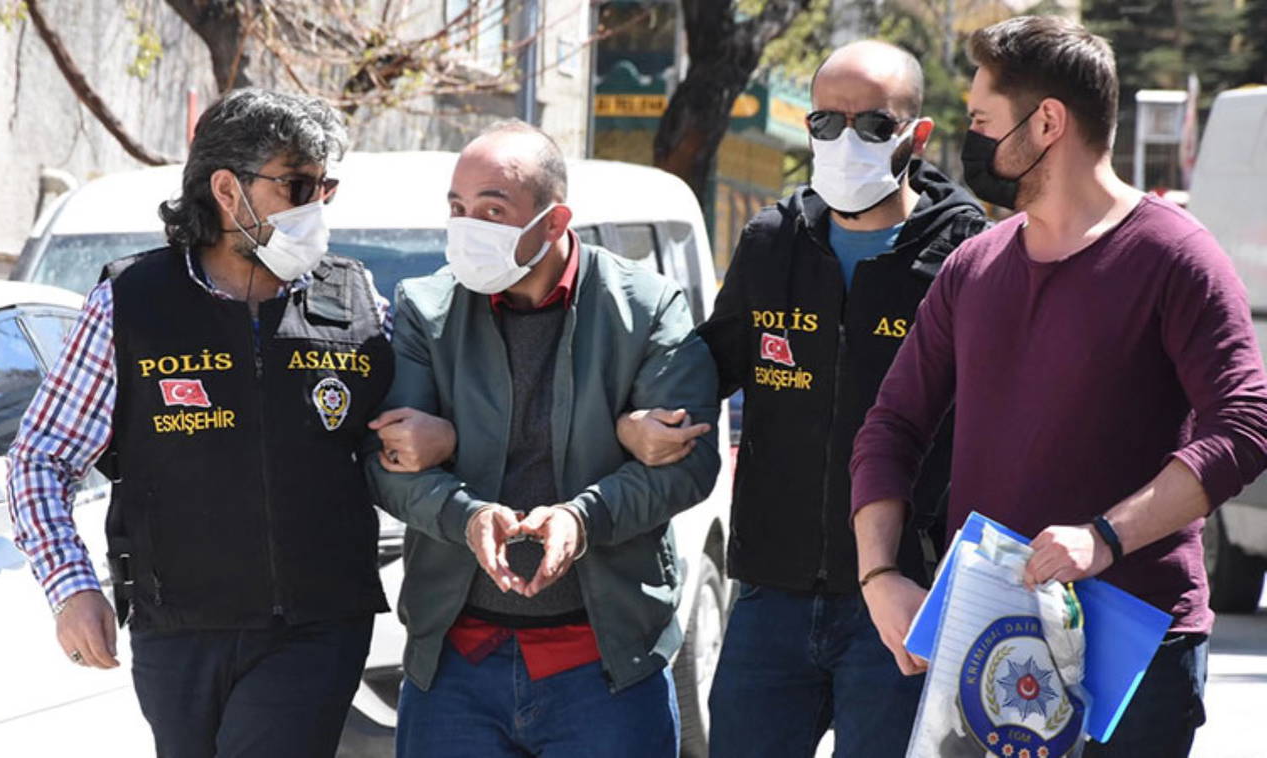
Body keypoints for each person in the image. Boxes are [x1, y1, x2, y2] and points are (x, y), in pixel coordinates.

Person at [851, 16, 1267, 757]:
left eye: (982, 121)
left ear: (1047, 122)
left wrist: (1105, 537)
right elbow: (891, 426)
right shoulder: (972, 267)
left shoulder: (1177, 258)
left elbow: (1244, 424)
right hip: (987, 640)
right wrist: (879, 574)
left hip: (1135, 649)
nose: (970, 141)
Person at [5, 88, 431, 757]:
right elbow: (40, 459)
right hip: (176, 629)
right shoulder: (130, 303)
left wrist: (435, 433)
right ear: (228, 190)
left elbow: (420, 419)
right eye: (298, 187)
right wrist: (71, 588)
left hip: (317, 627)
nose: (317, 208)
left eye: (326, 188)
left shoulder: (355, 300)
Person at [617, 40, 990, 757]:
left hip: (903, 597)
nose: (846, 141)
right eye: (826, 122)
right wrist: (639, 415)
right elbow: (709, 363)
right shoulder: (772, 242)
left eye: (873, 125)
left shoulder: (966, 257)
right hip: (771, 594)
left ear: (916, 136)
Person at [364, 120, 720, 758]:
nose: (467, 227)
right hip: (456, 665)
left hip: (604, 664)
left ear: (554, 222)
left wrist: (583, 519)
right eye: (456, 208)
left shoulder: (647, 306)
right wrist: (465, 515)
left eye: (491, 211)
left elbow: (689, 466)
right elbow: (388, 463)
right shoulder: (425, 308)